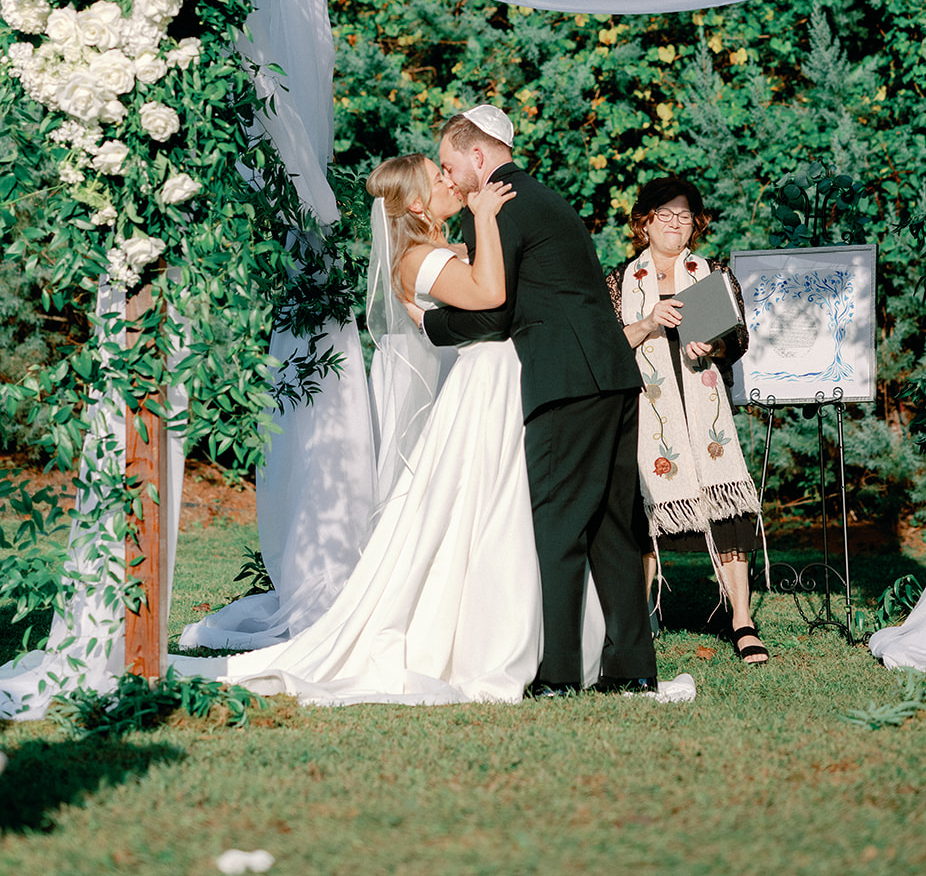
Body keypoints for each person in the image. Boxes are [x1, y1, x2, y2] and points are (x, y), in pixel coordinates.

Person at [176, 152, 549, 704]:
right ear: (417, 203)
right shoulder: (419, 258)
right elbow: (490, 293)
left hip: (474, 400)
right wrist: (490, 220)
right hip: (455, 404)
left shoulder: (445, 249)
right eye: (440, 176)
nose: (452, 180)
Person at [422, 105, 660, 696]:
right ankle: (632, 670)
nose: (450, 179)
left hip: (566, 379)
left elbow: (494, 311)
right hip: (612, 372)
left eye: (452, 165)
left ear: (479, 155)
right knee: (611, 525)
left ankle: (556, 673)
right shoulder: (546, 198)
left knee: (557, 523)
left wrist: (430, 326)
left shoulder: (498, 206)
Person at [605, 175, 768, 664]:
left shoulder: (711, 272)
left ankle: (741, 618)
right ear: (644, 222)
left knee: (728, 510)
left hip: (704, 408)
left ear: (696, 224)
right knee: (644, 511)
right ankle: (643, 614)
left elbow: (736, 340)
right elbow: (608, 346)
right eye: (664, 214)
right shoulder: (618, 281)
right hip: (646, 411)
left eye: (684, 215)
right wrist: (651, 321)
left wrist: (712, 345)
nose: (675, 224)